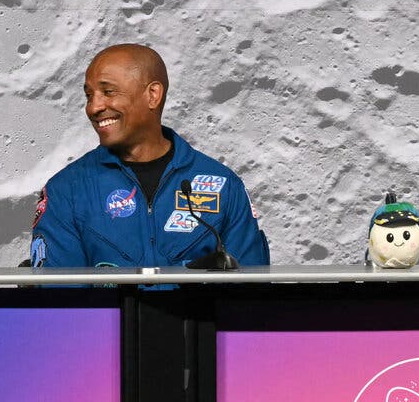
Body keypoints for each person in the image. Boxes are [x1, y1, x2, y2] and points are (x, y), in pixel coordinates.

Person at [30, 43, 270, 268]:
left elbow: (250, 294)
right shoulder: (67, 190)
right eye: (89, 95)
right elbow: (60, 300)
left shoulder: (223, 185)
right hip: (108, 315)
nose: (94, 107)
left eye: (108, 91)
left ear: (153, 95)